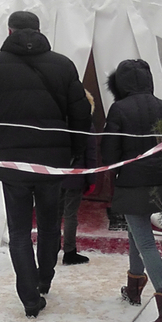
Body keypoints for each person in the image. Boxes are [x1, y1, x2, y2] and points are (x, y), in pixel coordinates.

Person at [0, 10, 92, 319]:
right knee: (50, 224)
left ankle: (29, 297)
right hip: (52, 164)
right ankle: (44, 279)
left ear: (9, 32)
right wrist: (77, 152)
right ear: (38, 30)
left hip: (12, 163)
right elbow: (80, 116)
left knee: (20, 232)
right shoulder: (63, 65)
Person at [101, 59, 162, 322]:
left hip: (132, 182)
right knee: (135, 234)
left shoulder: (119, 109)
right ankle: (134, 287)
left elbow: (110, 152)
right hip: (161, 181)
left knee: (145, 241)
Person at [58, 89, 97, 265]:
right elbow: (91, 153)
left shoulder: (56, 121)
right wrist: (91, 179)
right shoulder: (86, 124)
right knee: (70, 215)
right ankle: (69, 251)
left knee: (52, 214)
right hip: (76, 176)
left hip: (54, 175)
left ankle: (50, 250)